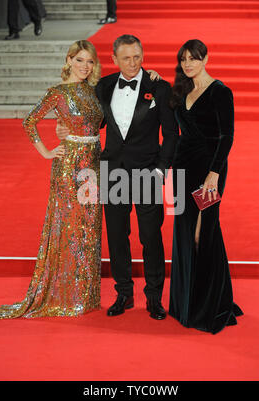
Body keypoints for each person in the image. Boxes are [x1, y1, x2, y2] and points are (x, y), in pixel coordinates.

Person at [56, 35, 179, 320]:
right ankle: (123, 293)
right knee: (117, 236)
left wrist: (161, 170)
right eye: (126, 58)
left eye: (137, 56)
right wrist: (64, 129)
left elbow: (172, 134)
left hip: (148, 172)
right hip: (112, 173)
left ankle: (154, 297)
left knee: (151, 236)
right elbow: (88, 121)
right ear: (114, 60)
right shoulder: (105, 86)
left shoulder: (159, 88)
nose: (133, 63)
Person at [0, 40, 104, 319]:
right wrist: (46, 151)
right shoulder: (58, 93)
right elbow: (29, 121)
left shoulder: (94, 91)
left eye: (89, 61)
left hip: (94, 164)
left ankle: (84, 295)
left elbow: (97, 122)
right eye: (79, 60)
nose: (84, 66)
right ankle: (64, 296)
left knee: (89, 228)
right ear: (69, 61)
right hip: (69, 166)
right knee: (68, 227)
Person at [169, 39, 243, 334]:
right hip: (182, 171)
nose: (188, 64)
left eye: (194, 59)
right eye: (184, 59)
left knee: (204, 232)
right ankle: (186, 304)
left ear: (206, 58)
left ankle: (209, 305)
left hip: (208, 173)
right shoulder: (182, 89)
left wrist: (214, 174)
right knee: (186, 232)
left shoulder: (220, 92)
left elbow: (227, 136)